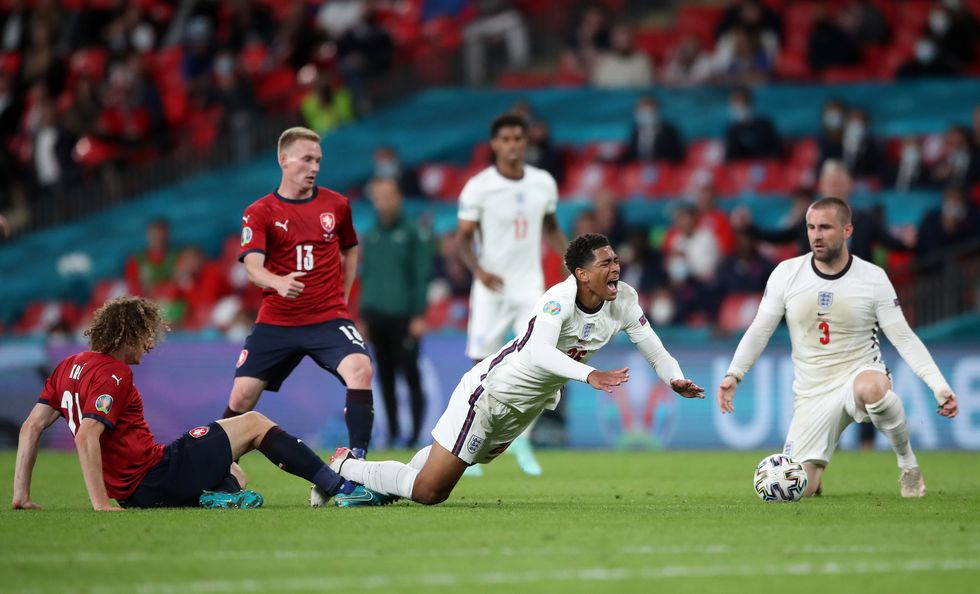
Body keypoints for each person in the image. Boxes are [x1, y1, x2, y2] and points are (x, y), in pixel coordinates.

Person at [328, 233, 705, 506]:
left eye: (616, 261)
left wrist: (673, 376)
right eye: (605, 263)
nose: (615, 269)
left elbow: (653, 346)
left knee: (437, 467)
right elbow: (540, 352)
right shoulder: (558, 300)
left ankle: (375, 489)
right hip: (491, 393)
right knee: (431, 492)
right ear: (581, 274)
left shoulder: (623, 299)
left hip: (524, 408)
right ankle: (344, 467)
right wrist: (589, 374)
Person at [11, 297, 357, 511]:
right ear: (125, 335)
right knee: (253, 423)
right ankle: (339, 486)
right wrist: (100, 505)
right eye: (145, 335)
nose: (149, 345)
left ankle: (221, 496)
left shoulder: (68, 366)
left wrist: (21, 494)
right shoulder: (113, 374)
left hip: (135, 493)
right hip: (154, 475)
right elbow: (87, 435)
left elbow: (31, 427)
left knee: (234, 471)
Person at [716, 198, 959, 498]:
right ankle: (815, 476)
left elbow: (904, 337)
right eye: (811, 227)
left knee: (873, 389)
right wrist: (734, 374)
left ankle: (907, 463)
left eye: (825, 227)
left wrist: (939, 385)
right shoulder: (786, 274)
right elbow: (759, 329)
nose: (816, 235)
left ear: (847, 230)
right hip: (811, 393)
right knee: (797, 488)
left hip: (860, 372)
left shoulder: (872, 278)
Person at [225, 126, 376, 461]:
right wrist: (276, 282)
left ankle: (358, 461)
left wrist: (344, 294)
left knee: (361, 368)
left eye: (318, 160)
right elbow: (252, 266)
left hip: (327, 317)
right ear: (284, 160)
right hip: (278, 319)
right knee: (242, 396)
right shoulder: (260, 211)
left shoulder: (336, 205)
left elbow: (351, 248)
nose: (315, 167)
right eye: (307, 159)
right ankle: (218, 465)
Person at [456, 113, 568, 476]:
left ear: (526, 142)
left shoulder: (542, 183)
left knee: (536, 363)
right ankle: (470, 444)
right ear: (494, 145)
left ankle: (522, 442)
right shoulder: (478, 187)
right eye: (505, 139)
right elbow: (461, 239)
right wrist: (479, 270)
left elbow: (551, 227)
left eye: (518, 138)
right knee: (480, 366)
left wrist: (571, 265)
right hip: (490, 289)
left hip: (529, 289)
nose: (512, 145)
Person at [360, 178, 433, 448]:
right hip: (376, 316)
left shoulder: (414, 233)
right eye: (379, 196)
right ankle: (391, 433)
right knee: (386, 377)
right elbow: (367, 277)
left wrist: (419, 314)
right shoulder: (371, 234)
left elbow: (421, 275)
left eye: (388, 195)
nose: (384, 201)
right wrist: (364, 316)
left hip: (404, 316)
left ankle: (415, 434)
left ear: (399, 198)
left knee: (411, 375)